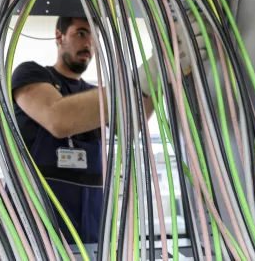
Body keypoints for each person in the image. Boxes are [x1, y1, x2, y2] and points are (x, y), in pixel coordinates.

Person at [11, 15, 206, 244]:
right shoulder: (30, 73)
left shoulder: (95, 94)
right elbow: (58, 118)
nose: (88, 45)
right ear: (59, 36)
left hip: (92, 231)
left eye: (94, 38)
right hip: (35, 232)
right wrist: (150, 70)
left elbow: (131, 125)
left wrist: (162, 74)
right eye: (81, 33)